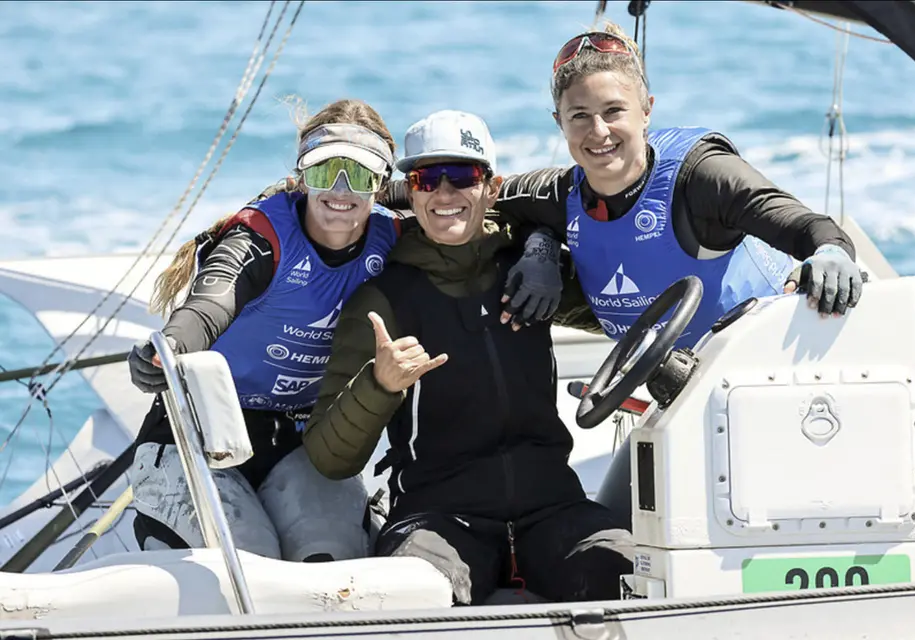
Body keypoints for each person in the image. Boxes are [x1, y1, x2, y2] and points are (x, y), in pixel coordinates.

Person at [302, 110, 636, 605]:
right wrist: (380, 384)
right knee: (416, 597)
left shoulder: (528, 273)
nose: (443, 194)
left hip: (554, 507)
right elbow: (330, 459)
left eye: (461, 177)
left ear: (491, 187)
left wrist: (545, 249)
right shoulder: (382, 300)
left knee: (634, 575)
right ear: (409, 193)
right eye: (425, 179)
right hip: (436, 519)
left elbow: (624, 306)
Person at [382, 23, 865, 346]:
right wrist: (541, 250)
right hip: (671, 393)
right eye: (580, 117)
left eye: (614, 112)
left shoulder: (700, 178)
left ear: (647, 109)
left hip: (773, 367)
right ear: (559, 122)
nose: (599, 132)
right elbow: (453, 193)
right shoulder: (560, 195)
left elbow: (808, 227)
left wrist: (831, 254)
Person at [125, 98, 403, 563]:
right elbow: (209, 304)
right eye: (323, 171)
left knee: (331, 559)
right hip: (198, 431)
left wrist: (538, 249)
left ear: (382, 184)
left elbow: (473, 209)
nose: (340, 189)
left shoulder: (392, 235)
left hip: (297, 438)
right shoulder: (260, 236)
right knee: (248, 558)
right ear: (300, 177)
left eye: (359, 175)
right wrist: (169, 347)